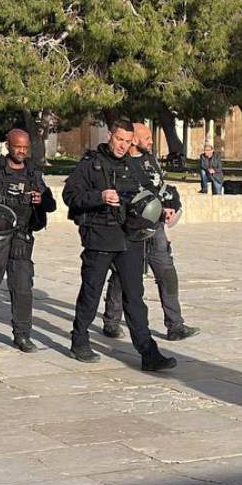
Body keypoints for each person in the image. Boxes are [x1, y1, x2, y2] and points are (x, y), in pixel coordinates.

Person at [63, 119, 176, 372]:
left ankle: (148, 352)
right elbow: (69, 195)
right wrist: (99, 196)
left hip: (129, 238)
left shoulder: (133, 165)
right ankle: (79, 341)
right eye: (119, 139)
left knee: (135, 297)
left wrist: (162, 209)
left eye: (127, 141)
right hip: (100, 237)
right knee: (91, 293)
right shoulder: (90, 164)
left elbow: (150, 192)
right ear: (109, 136)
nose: (122, 145)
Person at [103, 123, 200, 342]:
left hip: (156, 229)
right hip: (131, 230)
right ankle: (111, 321)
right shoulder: (120, 164)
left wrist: (171, 205)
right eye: (147, 138)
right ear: (134, 140)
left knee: (167, 274)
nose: (151, 141)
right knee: (123, 275)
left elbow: (162, 189)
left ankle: (175, 325)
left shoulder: (150, 161)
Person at [0, 129, 54, 353]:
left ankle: (22, 335)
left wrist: (40, 199)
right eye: (18, 147)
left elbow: (51, 204)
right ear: (8, 146)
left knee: (22, 288)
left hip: (21, 238)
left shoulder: (33, 173)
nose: (22, 151)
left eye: (25, 148)